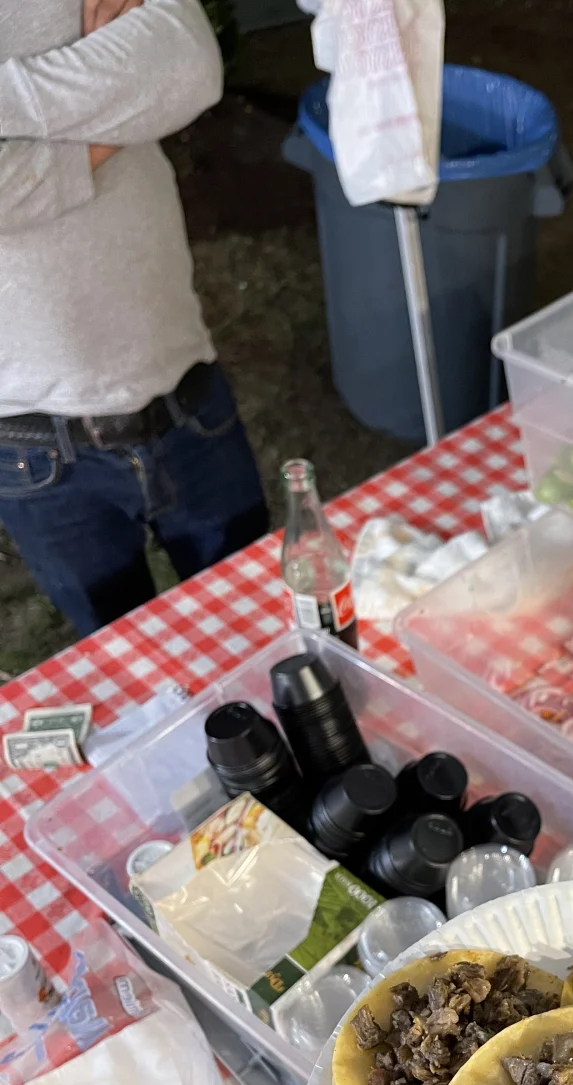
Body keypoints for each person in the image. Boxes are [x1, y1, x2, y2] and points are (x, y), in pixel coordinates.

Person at [0, 0, 268, 638]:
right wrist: (116, 91)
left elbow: (190, 65)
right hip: (34, 442)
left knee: (265, 635)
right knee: (130, 680)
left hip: (184, 383)